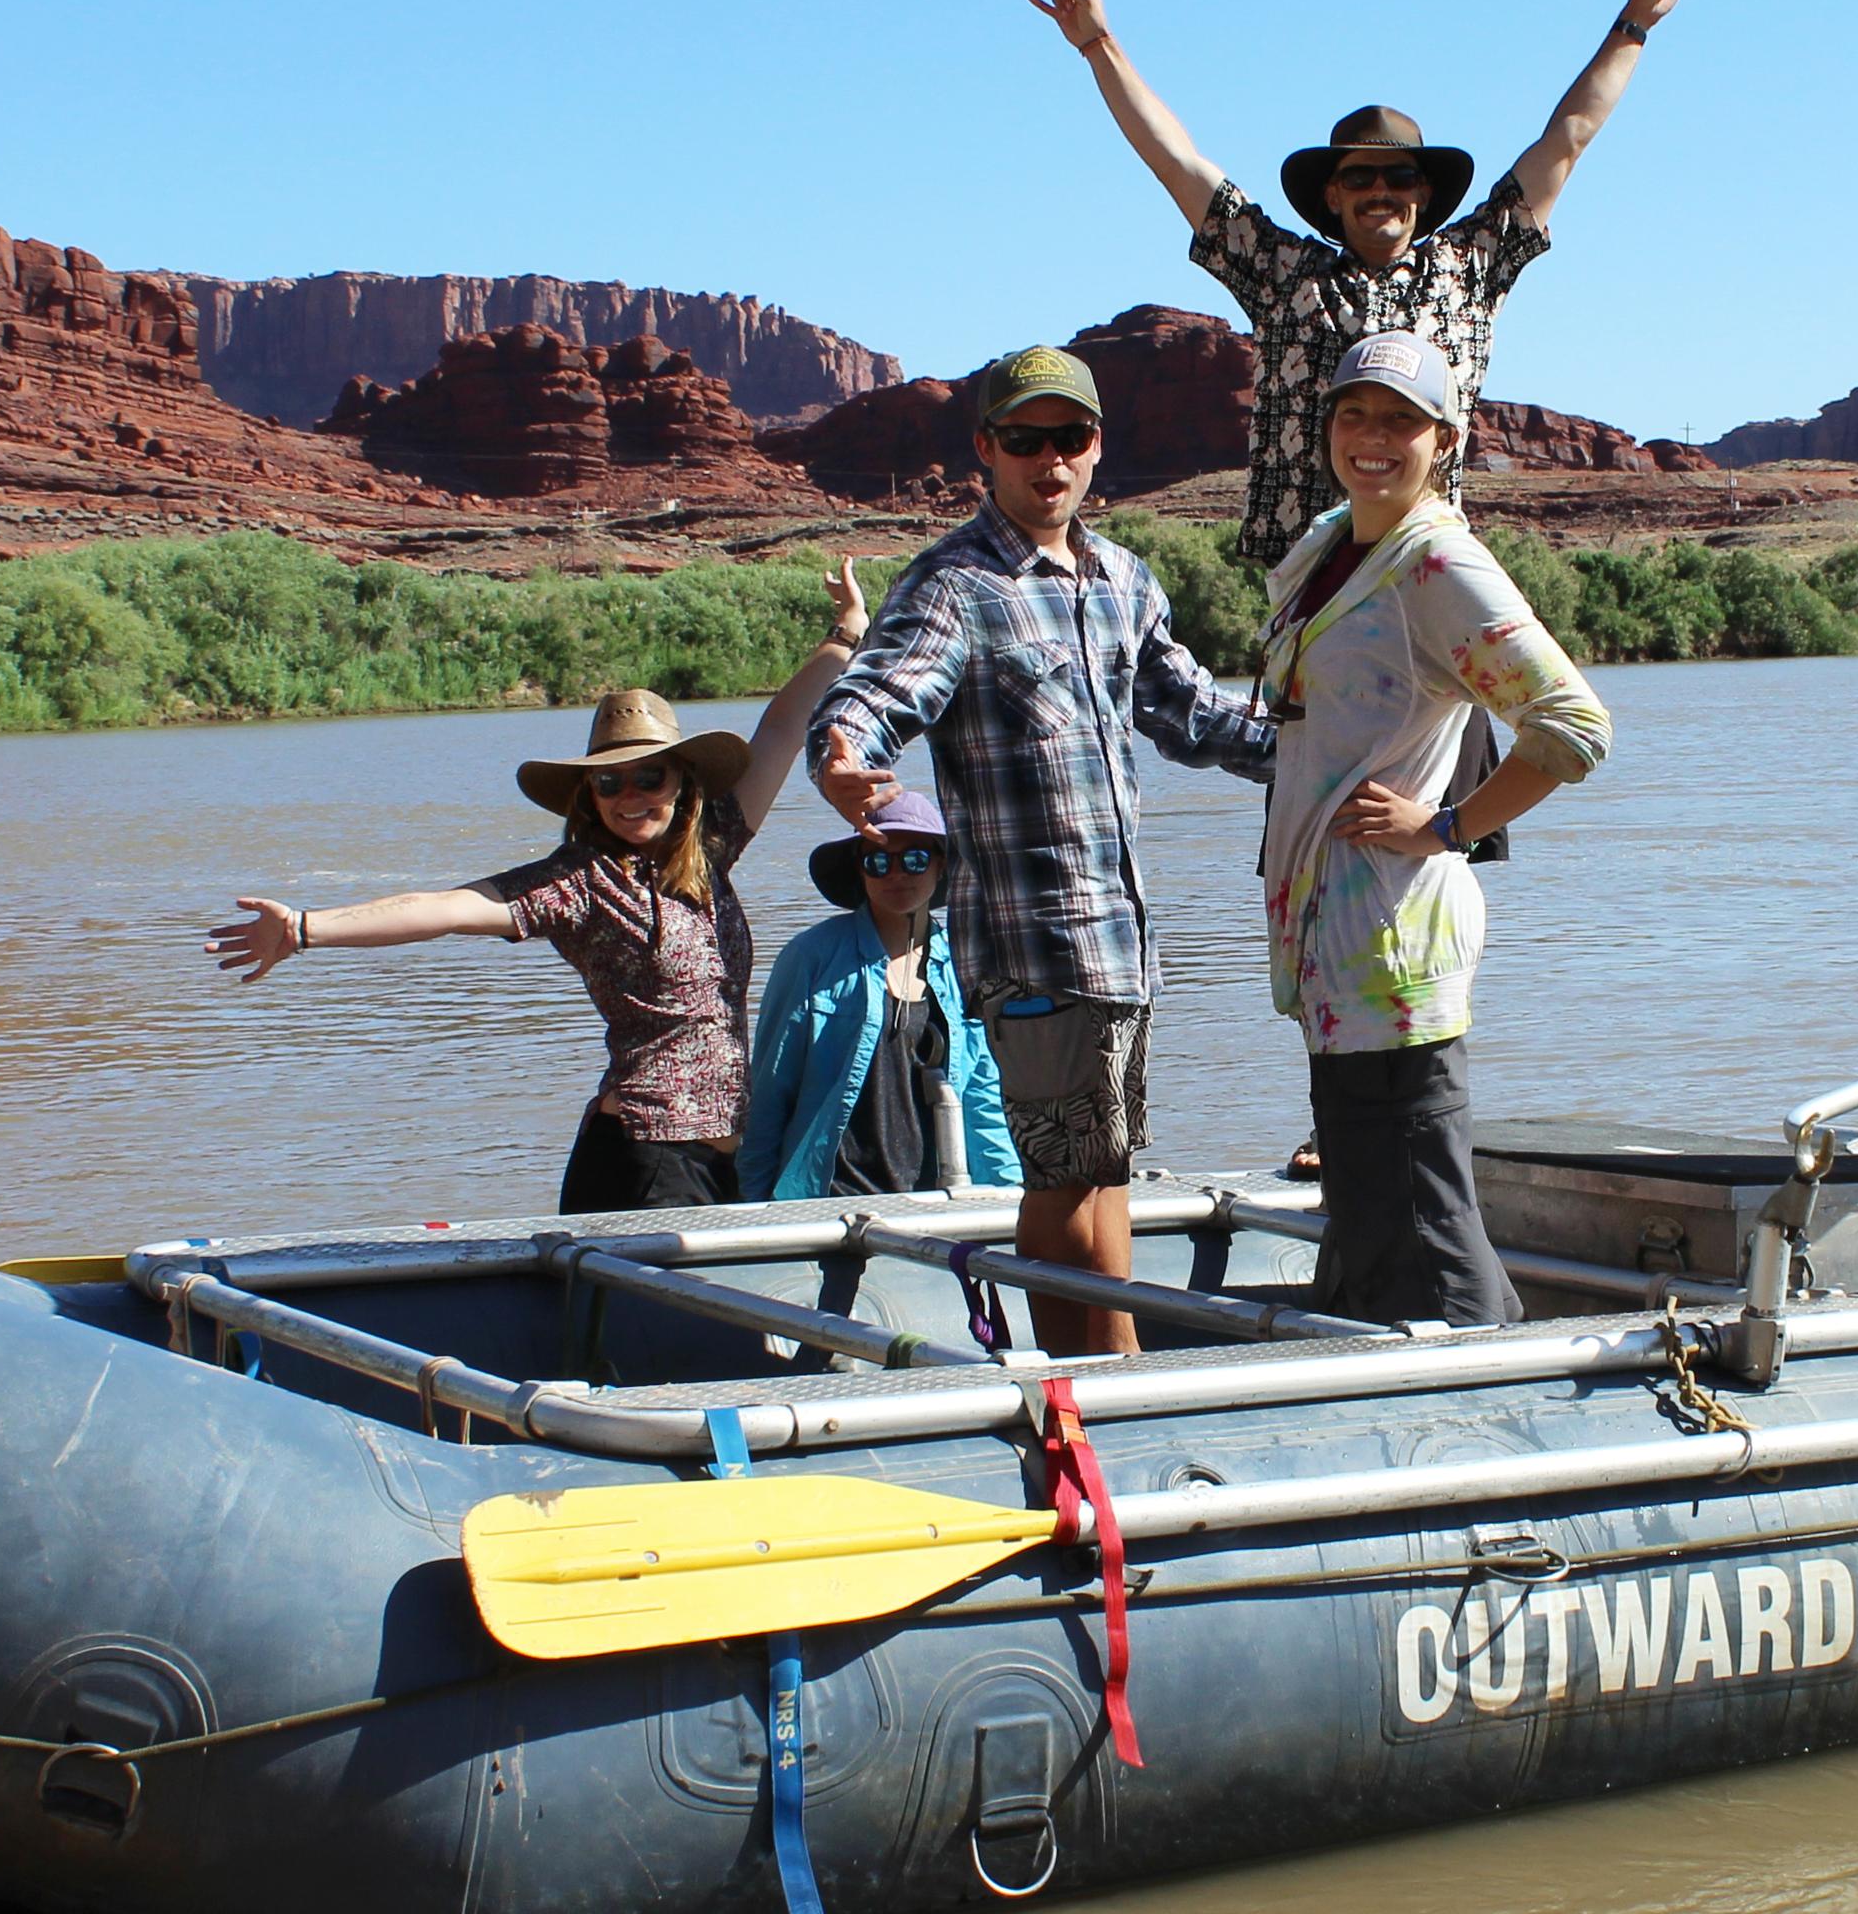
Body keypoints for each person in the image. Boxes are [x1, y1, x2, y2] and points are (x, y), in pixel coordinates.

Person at [811, 347, 1278, 1354]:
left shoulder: (1121, 579)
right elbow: (877, 694)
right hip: (1033, 948)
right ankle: (1097, 1396)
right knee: (1063, 1182)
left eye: (1068, 437)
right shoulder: (953, 585)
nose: (1049, 460)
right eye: (1024, 440)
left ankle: (1108, 1386)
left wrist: (1313, 758)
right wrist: (840, 757)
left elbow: (1189, 712)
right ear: (985, 449)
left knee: (1101, 1179)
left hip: (1122, 947)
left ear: (1096, 446)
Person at [1028, 0, 1715, 565]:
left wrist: (1635, 23)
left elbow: (1567, 138)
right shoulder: (1283, 274)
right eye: (1359, 176)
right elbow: (1175, 160)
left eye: (1399, 175)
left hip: (1424, 576)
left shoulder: (1471, 267)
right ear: (1333, 194)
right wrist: (1098, 44)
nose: (1379, 189)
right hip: (1304, 582)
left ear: (1423, 192)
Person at [209, 566, 864, 1212]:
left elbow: (778, 728)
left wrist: (844, 634)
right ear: (589, 793)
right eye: (610, 782)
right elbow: (446, 908)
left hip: (720, 1162)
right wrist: (303, 928)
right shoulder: (577, 882)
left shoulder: (711, 845)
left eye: (649, 777)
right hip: (641, 1159)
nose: (630, 796)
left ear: (682, 782)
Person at [1252, 333, 1614, 1325]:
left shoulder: (1435, 564)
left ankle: (1480, 1403)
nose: (1373, 438)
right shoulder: (1337, 546)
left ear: (1443, 438)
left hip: (1395, 939)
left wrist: (1446, 824)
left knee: (1418, 1207)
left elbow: (1572, 726)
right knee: (1373, 1205)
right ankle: (1373, 1390)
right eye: (1354, 414)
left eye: (1400, 420)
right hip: (1339, 942)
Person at [741, 784, 1021, 1205]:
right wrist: (754, 1206)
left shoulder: (967, 964)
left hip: (934, 1200)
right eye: (878, 862)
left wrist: (1013, 1198)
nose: (897, 875)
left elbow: (983, 1100)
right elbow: (769, 1093)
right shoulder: (810, 957)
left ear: (941, 865)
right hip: (831, 1198)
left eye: (914, 859)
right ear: (859, 870)